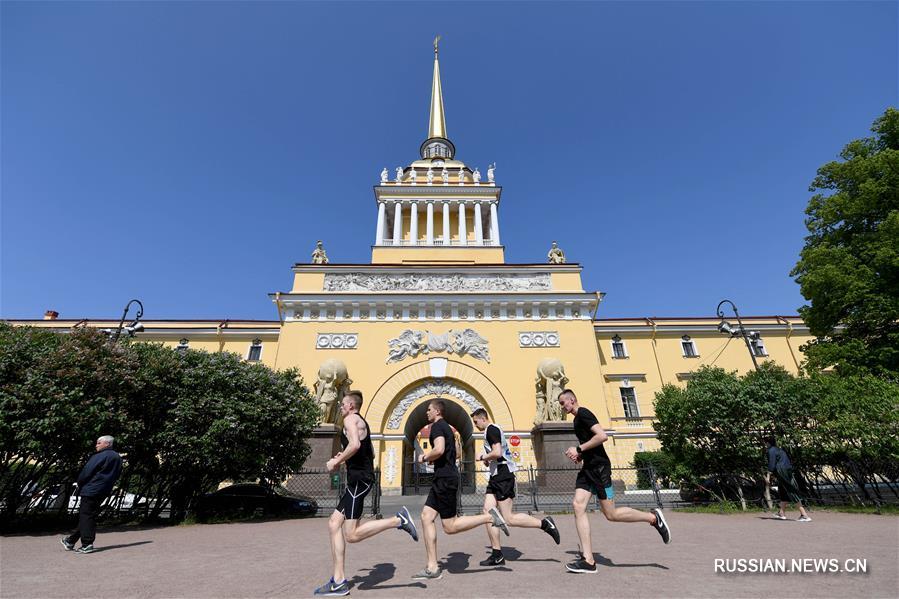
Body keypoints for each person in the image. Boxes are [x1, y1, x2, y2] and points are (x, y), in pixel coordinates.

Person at [315, 391, 419, 596]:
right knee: (334, 523)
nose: (341, 407)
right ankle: (338, 580)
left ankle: (398, 520)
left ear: (352, 405)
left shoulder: (351, 419)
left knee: (352, 535)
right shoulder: (361, 422)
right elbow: (367, 451)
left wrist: (337, 461)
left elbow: (354, 445)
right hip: (359, 479)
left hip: (359, 481)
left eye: (343, 404)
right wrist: (346, 457)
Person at [558, 389, 670, 574]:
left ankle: (653, 518)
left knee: (611, 514)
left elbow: (602, 436)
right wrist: (581, 455)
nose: (562, 407)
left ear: (572, 399)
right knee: (578, 506)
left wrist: (578, 448)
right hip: (588, 469)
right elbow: (591, 443)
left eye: (563, 403)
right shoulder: (576, 419)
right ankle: (588, 560)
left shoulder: (584, 413)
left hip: (600, 469)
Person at [413, 399, 510, 581]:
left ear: (437, 412)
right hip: (443, 477)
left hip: (444, 479)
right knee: (426, 517)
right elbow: (455, 453)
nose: (426, 413)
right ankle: (432, 567)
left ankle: (490, 517)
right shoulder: (448, 429)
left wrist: (424, 456)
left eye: (429, 410)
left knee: (450, 526)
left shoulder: (437, 427)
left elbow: (439, 449)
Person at [471, 408, 560, 566]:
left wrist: (483, 456)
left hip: (503, 476)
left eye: (476, 421)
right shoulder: (491, 431)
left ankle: (545, 524)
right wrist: (487, 460)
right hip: (496, 476)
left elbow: (497, 452)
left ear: (482, 418)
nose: (475, 425)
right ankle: (497, 554)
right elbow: (498, 454)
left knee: (508, 518)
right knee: (488, 511)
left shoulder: (491, 429)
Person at [60, 435, 123, 554]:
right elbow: (117, 474)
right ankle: (70, 540)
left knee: (86, 516)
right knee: (88, 516)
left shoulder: (99, 456)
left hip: (91, 489)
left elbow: (87, 471)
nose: (96, 445)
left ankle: (87, 544)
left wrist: (79, 483)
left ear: (107, 444)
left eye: (99, 443)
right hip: (104, 490)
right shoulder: (118, 457)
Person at [766, 437, 811, 522]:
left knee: (791, 491)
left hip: (781, 472)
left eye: (766, 443)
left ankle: (804, 515)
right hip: (788, 471)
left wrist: (768, 476)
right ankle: (781, 513)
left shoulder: (771, 450)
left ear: (768, 443)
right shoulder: (780, 450)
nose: (765, 445)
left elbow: (771, 464)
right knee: (783, 491)